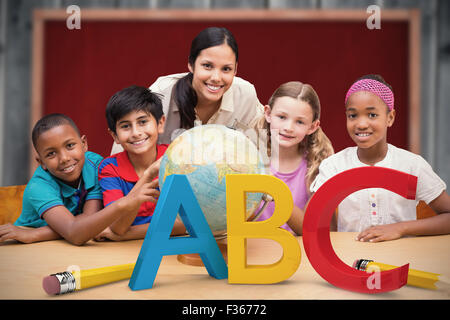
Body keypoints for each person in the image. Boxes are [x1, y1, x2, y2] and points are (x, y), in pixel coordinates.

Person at [310, 74, 450, 242]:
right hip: (350, 261)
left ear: (390, 118)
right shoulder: (334, 166)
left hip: (404, 261)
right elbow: (322, 224)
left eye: (372, 115)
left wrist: (401, 228)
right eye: (353, 115)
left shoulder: (411, 165)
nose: (361, 124)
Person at [0, 113, 159, 245]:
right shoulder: (39, 186)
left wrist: (40, 234)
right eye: (51, 154)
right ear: (41, 162)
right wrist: (122, 204)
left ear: (84, 144)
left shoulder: (95, 165)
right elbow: (76, 234)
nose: (64, 158)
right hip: (32, 247)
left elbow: (88, 222)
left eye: (70, 146)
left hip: (70, 243)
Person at [111, 27, 263, 154]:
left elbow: (263, 146)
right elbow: (124, 149)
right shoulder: (161, 94)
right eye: (207, 66)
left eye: (226, 69)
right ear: (191, 64)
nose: (216, 77)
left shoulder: (245, 95)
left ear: (236, 69)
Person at [96, 85, 186, 241]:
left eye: (143, 122)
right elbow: (118, 226)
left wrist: (126, 235)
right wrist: (148, 175)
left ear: (160, 123)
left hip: (171, 248)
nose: (136, 133)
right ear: (114, 135)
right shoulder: (110, 168)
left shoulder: (176, 156)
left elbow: (185, 223)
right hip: (120, 254)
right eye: (125, 126)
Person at [257, 81, 334, 235]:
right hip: (253, 252)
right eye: (282, 117)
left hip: (297, 255)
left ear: (312, 126)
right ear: (268, 114)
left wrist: (275, 190)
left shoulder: (316, 167)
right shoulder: (249, 160)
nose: (288, 127)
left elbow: (309, 230)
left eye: (299, 121)